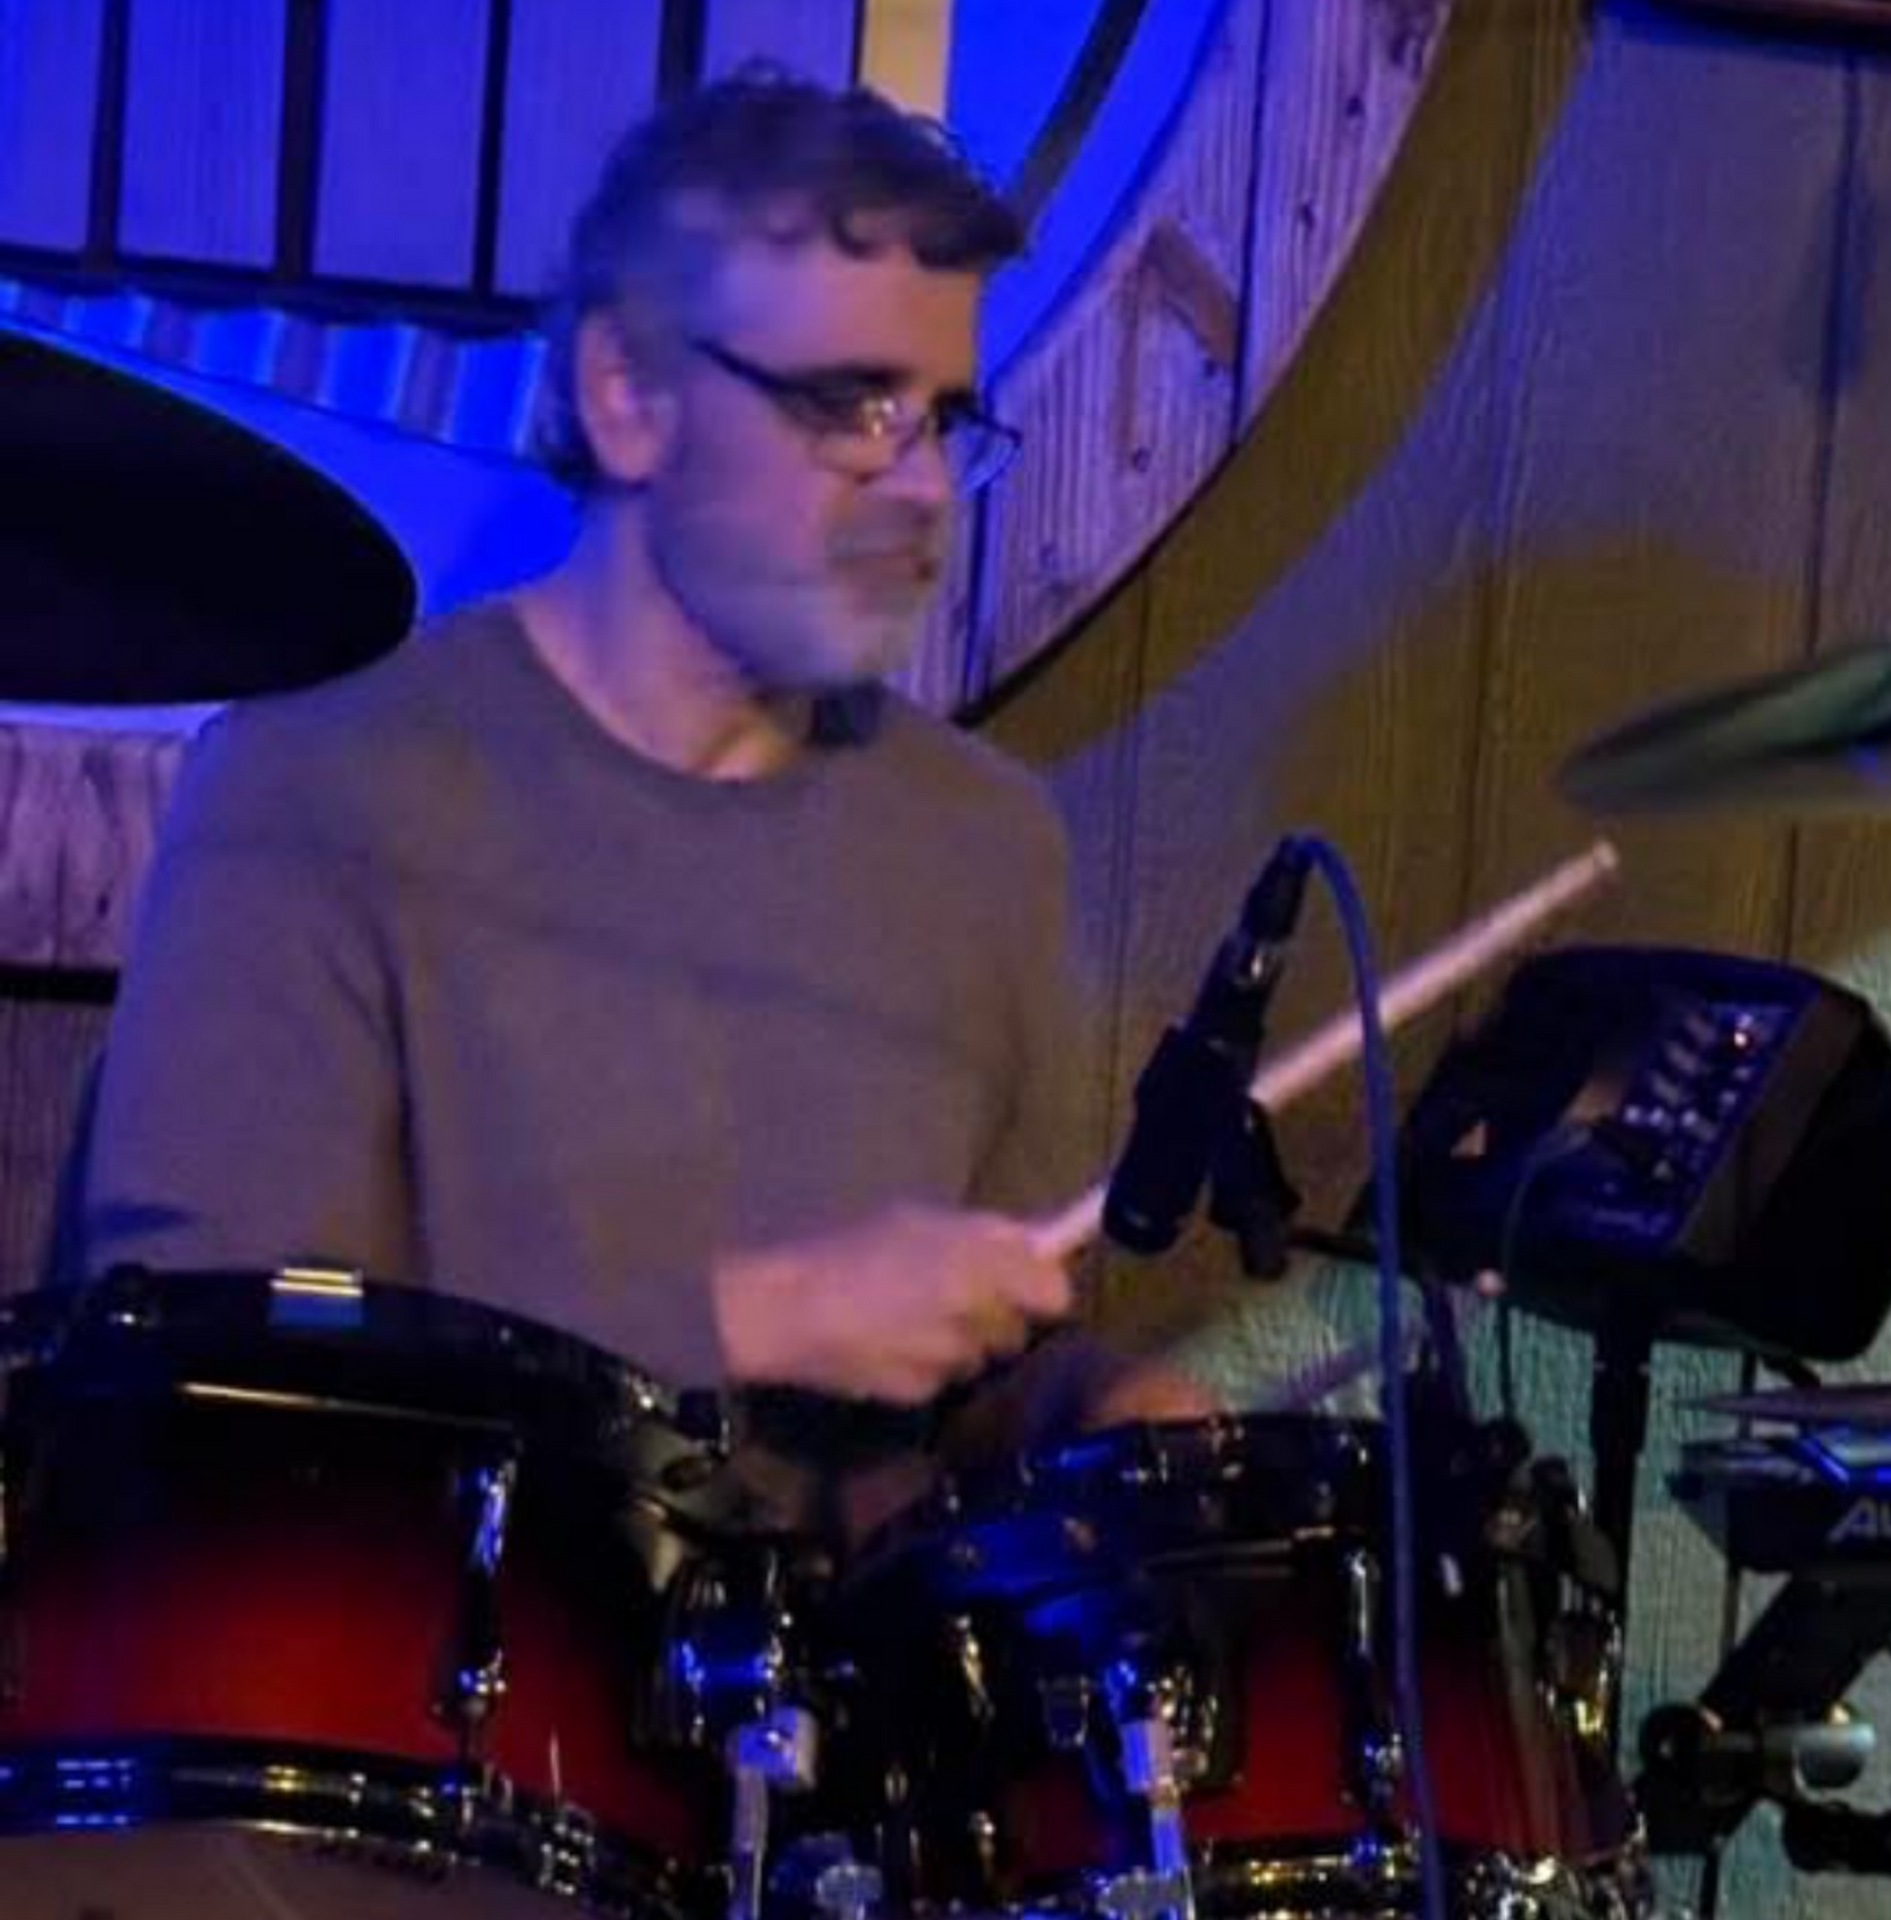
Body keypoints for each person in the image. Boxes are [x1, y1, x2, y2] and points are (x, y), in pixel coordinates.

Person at [78, 72, 1204, 1529]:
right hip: (440, 1699)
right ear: (628, 396)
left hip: (841, 1740)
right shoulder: (320, 784)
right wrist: (748, 1319)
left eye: (942, 422)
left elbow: (981, 1383)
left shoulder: (986, 843)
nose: (923, 487)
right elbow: (202, 1369)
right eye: (855, 405)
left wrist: (1090, 1407)